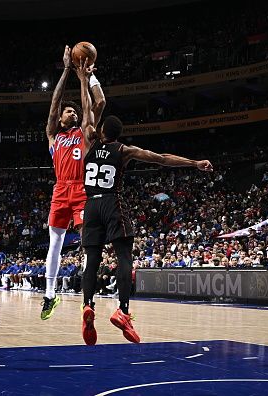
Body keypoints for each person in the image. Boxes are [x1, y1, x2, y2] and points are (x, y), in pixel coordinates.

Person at [75, 61, 213, 345]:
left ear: (101, 132)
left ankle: (88, 304)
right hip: (112, 202)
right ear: (118, 134)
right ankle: (123, 311)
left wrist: (84, 78)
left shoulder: (88, 141)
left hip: (90, 206)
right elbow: (160, 158)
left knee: (92, 261)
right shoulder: (124, 150)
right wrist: (194, 163)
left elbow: (87, 107)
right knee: (124, 257)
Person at [41, 45, 106, 320]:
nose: (72, 114)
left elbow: (91, 106)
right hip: (60, 188)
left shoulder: (85, 134)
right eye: (69, 112)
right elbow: (54, 106)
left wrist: (83, 78)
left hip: (81, 188)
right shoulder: (54, 136)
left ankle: (87, 295)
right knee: (54, 242)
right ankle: (49, 294)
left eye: (73, 112)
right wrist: (66, 69)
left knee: (86, 240)